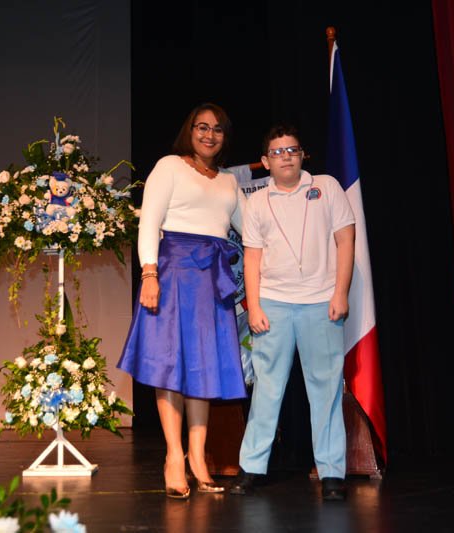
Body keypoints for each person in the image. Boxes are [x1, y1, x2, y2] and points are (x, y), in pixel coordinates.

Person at [118, 103, 247, 499]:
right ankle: (174, 457)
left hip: (212, 282)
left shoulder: (229, 181)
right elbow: (149, 223)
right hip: (172, 273)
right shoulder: (170, 166)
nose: (209, 134)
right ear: (189, 131)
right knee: (170, 365)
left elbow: (254, 229)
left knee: (203, 368)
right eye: (202, 127)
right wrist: (149, 274)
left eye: (218, 129)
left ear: (225, 137)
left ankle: (197, 458)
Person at [229, 124, 356, 501]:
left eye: (292, 150)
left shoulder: (327, 187)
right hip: (273, 305)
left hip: (322, 303)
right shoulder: (256, 202)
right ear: (265, 161)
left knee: (326, 390)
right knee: (267, 389)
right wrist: (254, 306)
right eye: (278, 152)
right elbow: (252, 258)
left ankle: (332, 473)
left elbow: (346, 241)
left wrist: (340, 293)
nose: (286, 157)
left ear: (302, 155)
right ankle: (252, 467)